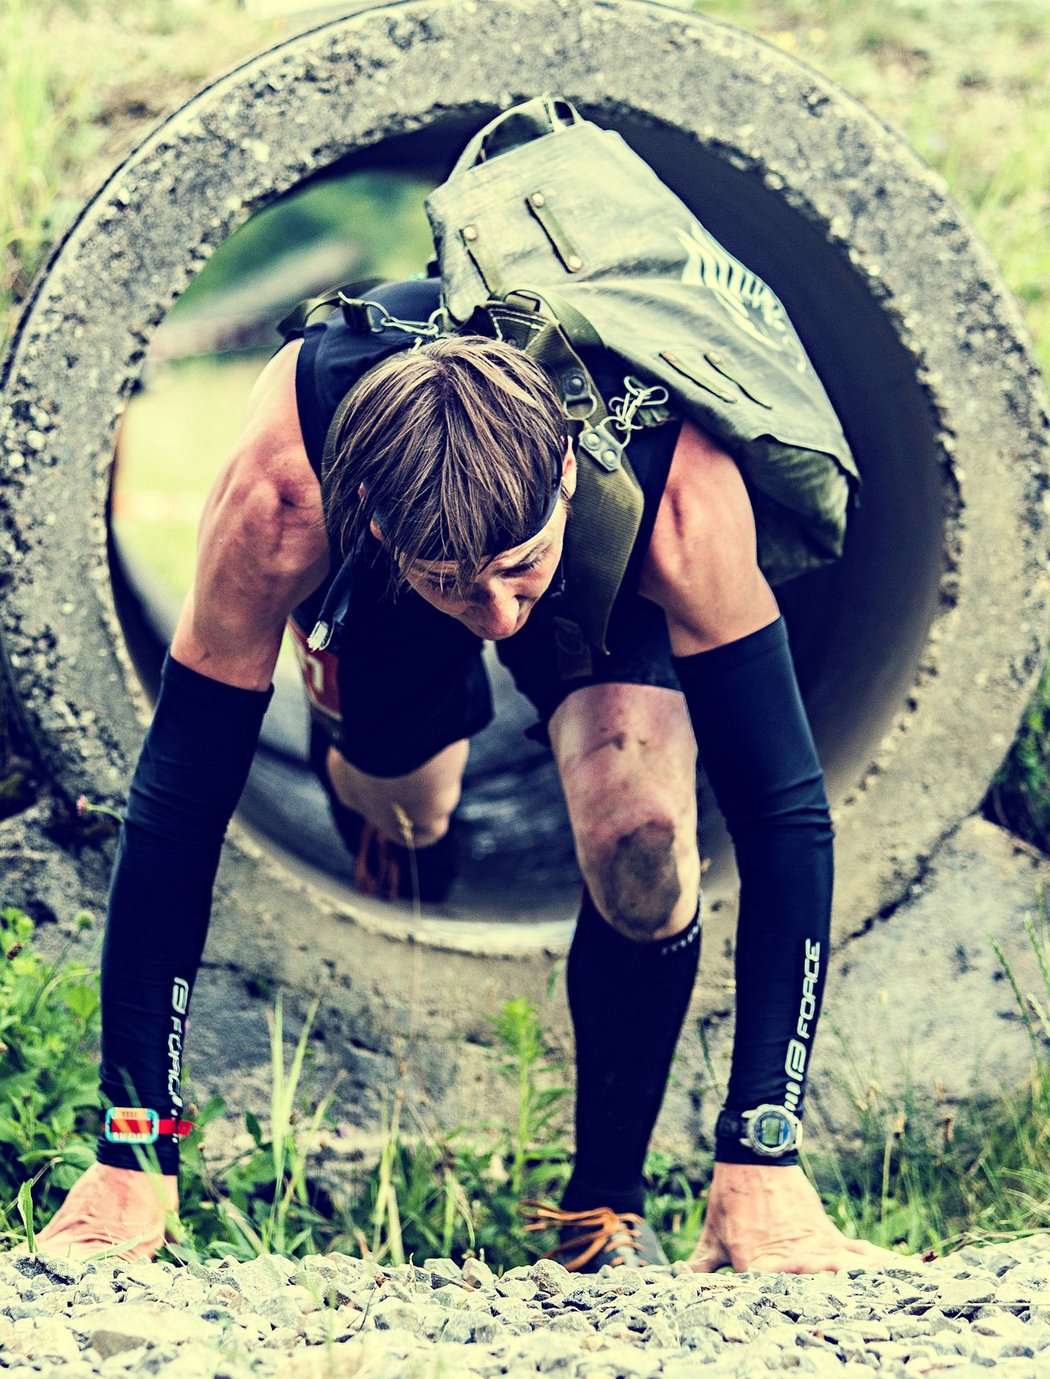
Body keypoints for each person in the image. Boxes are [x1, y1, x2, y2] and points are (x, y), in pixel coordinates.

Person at [35, 274, 897, 1273]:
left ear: (567, 475)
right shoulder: (285, 494)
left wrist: (766, 1146)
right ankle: (363, 742)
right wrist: (134, 1144)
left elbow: (784, 808)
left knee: (646, 841)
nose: (496, 616)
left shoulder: (679, 500)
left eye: (516, 571)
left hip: (600, 569)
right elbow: (179, 799)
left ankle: (604, 1206)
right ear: (364, 512)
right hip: (385, 588)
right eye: (461, 585)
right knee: (409, 806)